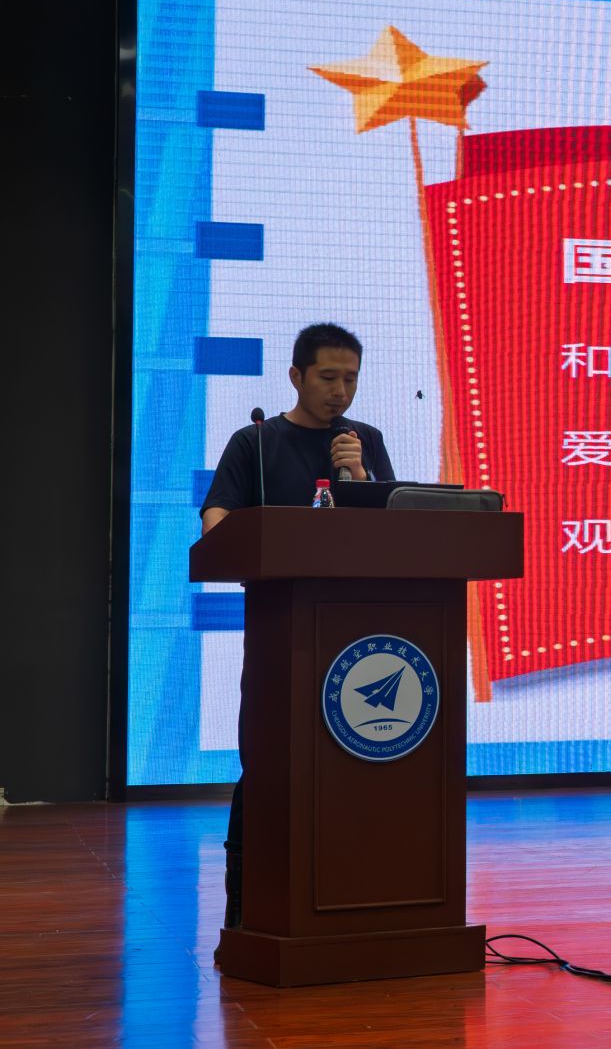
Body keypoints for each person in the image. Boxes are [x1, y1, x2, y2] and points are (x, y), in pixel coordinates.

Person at [198, 323, 397, 942]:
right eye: (328, 377)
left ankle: (351, 896)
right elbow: (216, 519)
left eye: (351, 379)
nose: (341, 391)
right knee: (269, 762)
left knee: (350, 765)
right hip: (281, 635)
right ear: (296, 376)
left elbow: (395, 530)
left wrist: (356, 476)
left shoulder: (364, 442)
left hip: (356, 633)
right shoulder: (256, 442)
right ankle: (250, 904)